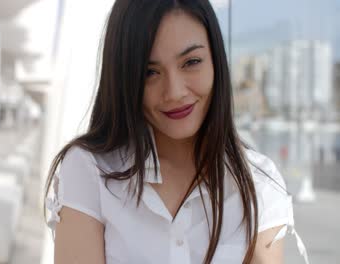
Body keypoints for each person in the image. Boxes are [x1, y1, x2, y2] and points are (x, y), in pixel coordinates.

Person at [44, 1, 309, 264]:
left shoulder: (259, 184)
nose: (174, 92)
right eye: (150, 72)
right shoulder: (90, 170)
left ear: (216, 60)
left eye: (191, 62)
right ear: (125, 77)